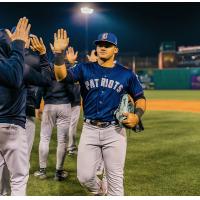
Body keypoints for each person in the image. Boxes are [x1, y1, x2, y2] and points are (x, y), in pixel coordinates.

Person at [53, 29, 146, 196]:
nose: (102, 47)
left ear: (115, 49)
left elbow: (140, 98)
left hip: (115, 131)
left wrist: (137, 115)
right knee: (85, 178)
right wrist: (59, 54)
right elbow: (61, 76)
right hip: (90, 130)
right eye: (100, 45)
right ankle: (101, 191)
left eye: (108, 45)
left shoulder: (126, 74)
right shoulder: (83, 68)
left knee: (115, 181)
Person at [33, 37, 72, 181]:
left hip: (49, 105)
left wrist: (37, 106)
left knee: (44, 138)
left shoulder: (46, 67)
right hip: (64, 105)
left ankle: (42, 171)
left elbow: (39, 87)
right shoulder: (65, 68)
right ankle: (58, 172)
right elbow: (73, 90)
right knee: (62, 141)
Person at [0, 17, 31, 196]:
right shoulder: (10, 65)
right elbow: (15, 77)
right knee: (19, 177)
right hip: (10, 123)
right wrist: (18, 43)